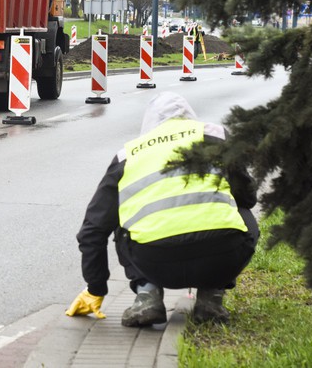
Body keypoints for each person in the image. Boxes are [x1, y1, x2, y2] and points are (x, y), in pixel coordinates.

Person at [65, 92, 258, 326]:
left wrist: (96, 288)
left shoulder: (128, 155)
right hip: (220, 257)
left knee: (121, 223)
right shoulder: (215, 136)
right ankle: (211, 297)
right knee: (241, 212)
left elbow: (92, 231)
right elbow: (247, 196)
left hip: (155, 262)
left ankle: (147, 297)